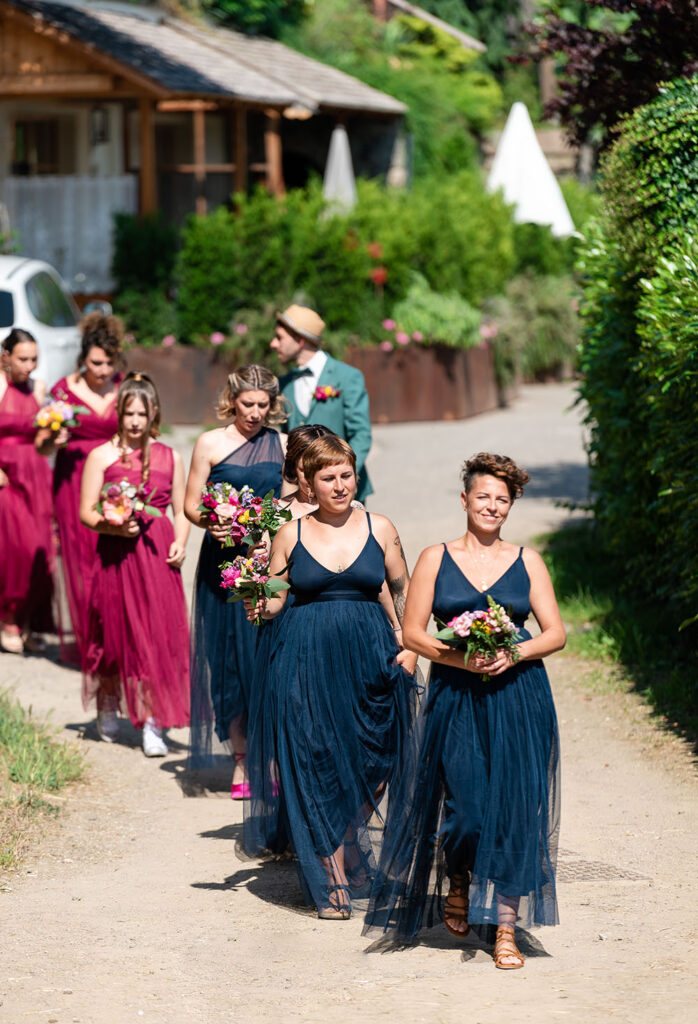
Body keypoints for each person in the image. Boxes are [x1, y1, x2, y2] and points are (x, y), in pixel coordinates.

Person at [364, 453, 565, 969]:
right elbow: (412, 632)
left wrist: (512, 651)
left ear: (510, 505)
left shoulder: (529, 560)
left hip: (519, 696)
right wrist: (460, 657)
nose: (492, 507)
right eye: (484, 497)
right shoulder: (436, 557)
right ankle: (459, 874)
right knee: (468, 811)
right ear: (465, 500)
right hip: (455, 695)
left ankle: (504, 927)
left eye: (502, 499)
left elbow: (555, 633)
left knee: (517, 809)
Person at [243, 434, 417, 920]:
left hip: (371, 654)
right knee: (317, 760)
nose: (340, 486)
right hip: (306, 657)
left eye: (346, 475)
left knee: (380, 757)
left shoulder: (381, 527)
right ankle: (332, 870)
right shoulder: (290, 533)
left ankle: (343, 841)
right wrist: (259, 601)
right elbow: (275, 599)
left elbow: (400, 591)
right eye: (328, 478)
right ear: (308, 483)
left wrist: (410, 645)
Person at [184, 364, 286, 793]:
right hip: (221, 564)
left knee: (264, 659)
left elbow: (293, 500)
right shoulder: (210, 443)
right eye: (248, 404)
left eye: (264, 405)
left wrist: (268, 529)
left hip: (267, 561)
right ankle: (241, 761)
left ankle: (271, 759)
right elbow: (191, 505)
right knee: (226, 663)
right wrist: (213, 521)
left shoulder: (282, 444)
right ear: (233, 400)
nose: (256, 412)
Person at [79, 373, 190, 754]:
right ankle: (109, 699)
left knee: (157, 634)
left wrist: (181, 541)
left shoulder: (169, 456)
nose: (135, 421)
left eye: (143, 413)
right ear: (119, 413)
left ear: (154, 413)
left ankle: (153, 720)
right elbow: (84, 512)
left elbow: (182, 509)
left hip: (157, 555)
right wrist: (111, 526)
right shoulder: (101, 455)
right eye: (129, 413)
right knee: (115, 631)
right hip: (116, 555)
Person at [37, 313, 124, 663]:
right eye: (96, 363)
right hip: (73, 482)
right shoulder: (62, 391)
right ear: (83, 358)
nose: (103, 370)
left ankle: (113, 636)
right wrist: (53, 440)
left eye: (109, 363)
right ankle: (90, 641)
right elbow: (41, 446)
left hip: (115, 483)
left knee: (112, 558)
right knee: (81, 560)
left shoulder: (124, 387)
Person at [271, 304, 373, 503]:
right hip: (302, 495)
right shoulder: (283, 383)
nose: (273, 344)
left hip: (342, 493)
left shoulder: (347, 377)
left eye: (280, 337)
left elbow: (361, 435)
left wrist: (343, 477)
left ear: (300, 340)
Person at [0, 329, 55, 653]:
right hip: (6, 478)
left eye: (34, 359)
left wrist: (53, 438)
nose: (30, 366)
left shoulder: (38, 388)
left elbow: (42, 445)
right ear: (5, 355)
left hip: (35, 476)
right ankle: (8, 618)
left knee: (41, 553)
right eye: (23, 359)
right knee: (16, 551)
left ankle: (28, 620)